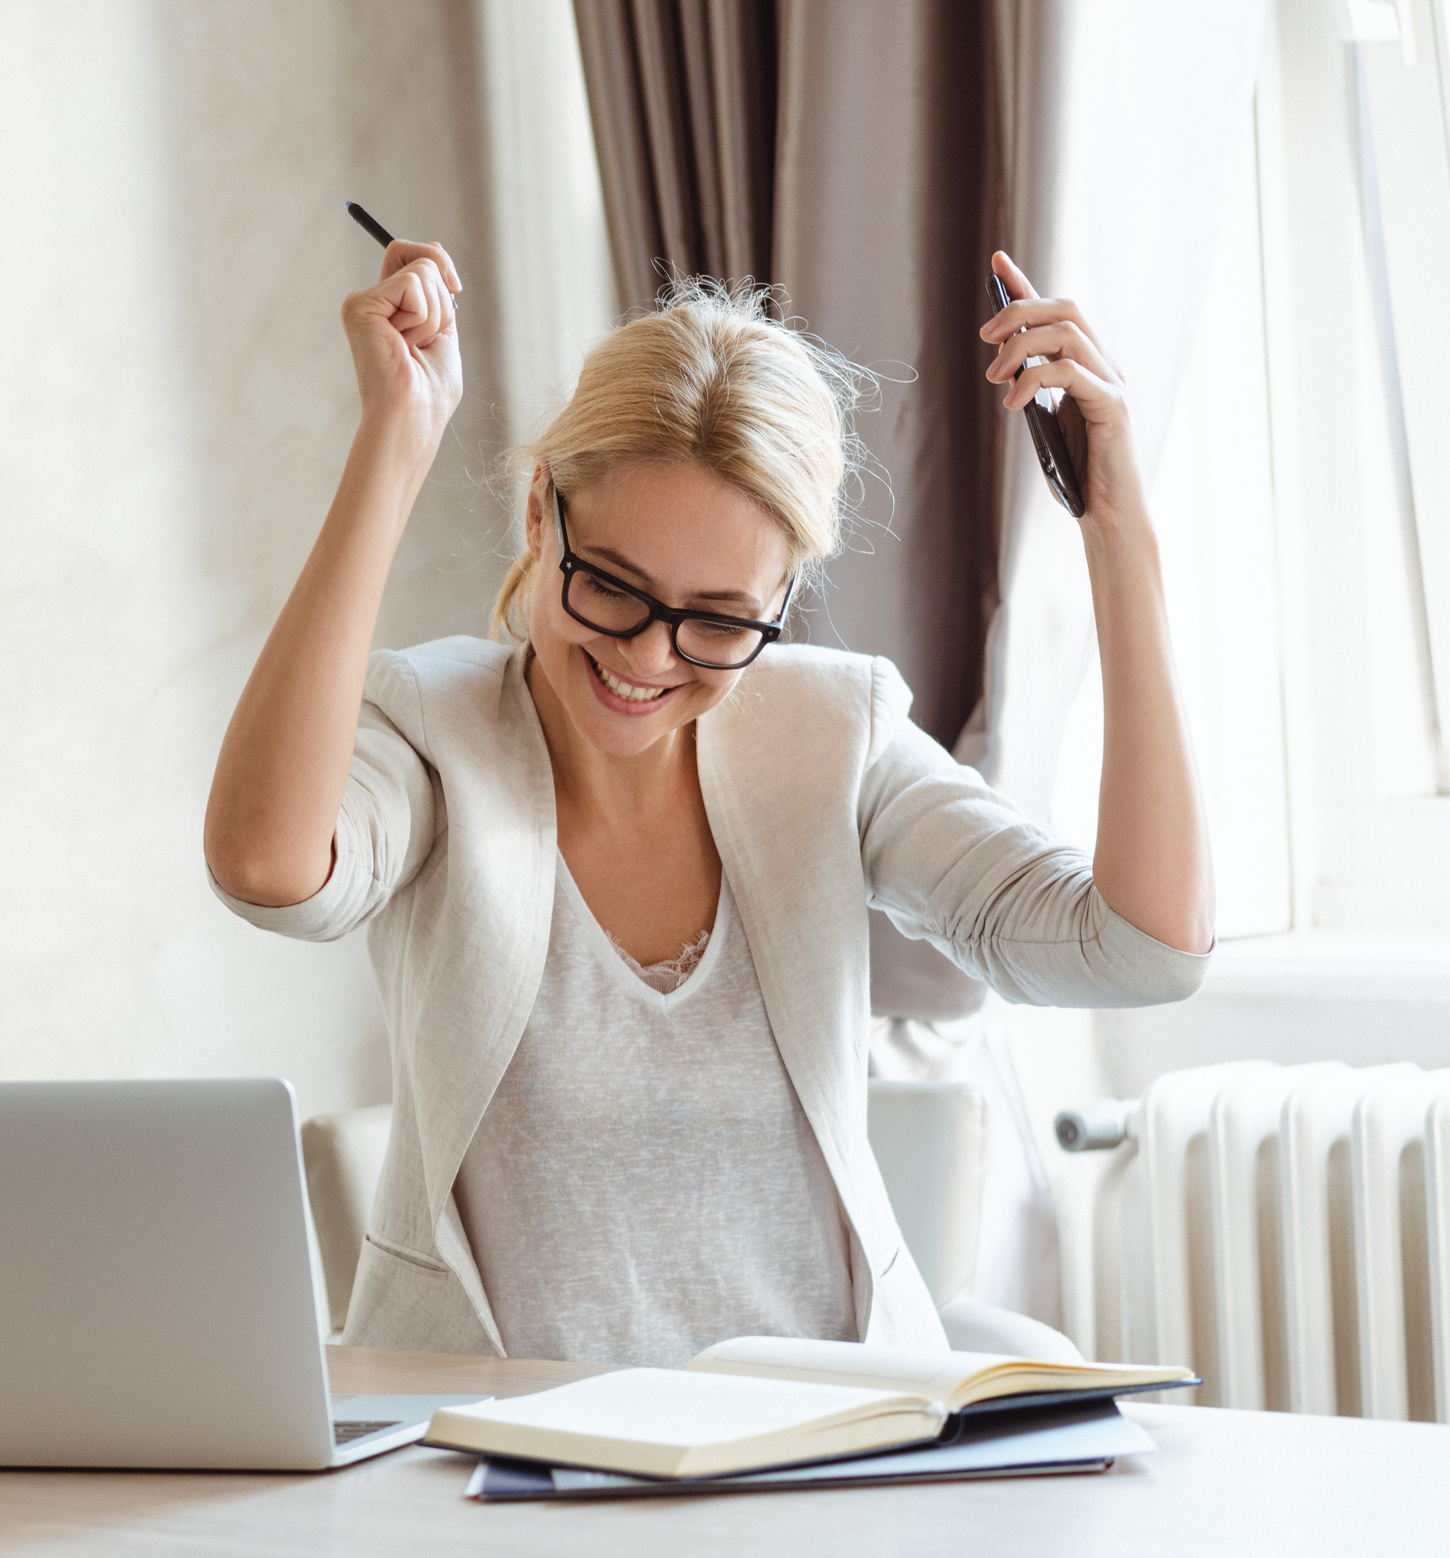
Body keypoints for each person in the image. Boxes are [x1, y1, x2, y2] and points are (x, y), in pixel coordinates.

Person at [203, 238, 1212, 1365]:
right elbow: (267, 867)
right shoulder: (434, 730)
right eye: (612, 586)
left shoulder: (830, 734)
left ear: (783, 596)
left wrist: (1120, 535)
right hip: (495, 1470)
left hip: (812, 1462)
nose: (646, 655)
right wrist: (393, 447)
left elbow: (1140, 949)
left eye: (720, 618)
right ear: (541, 513)